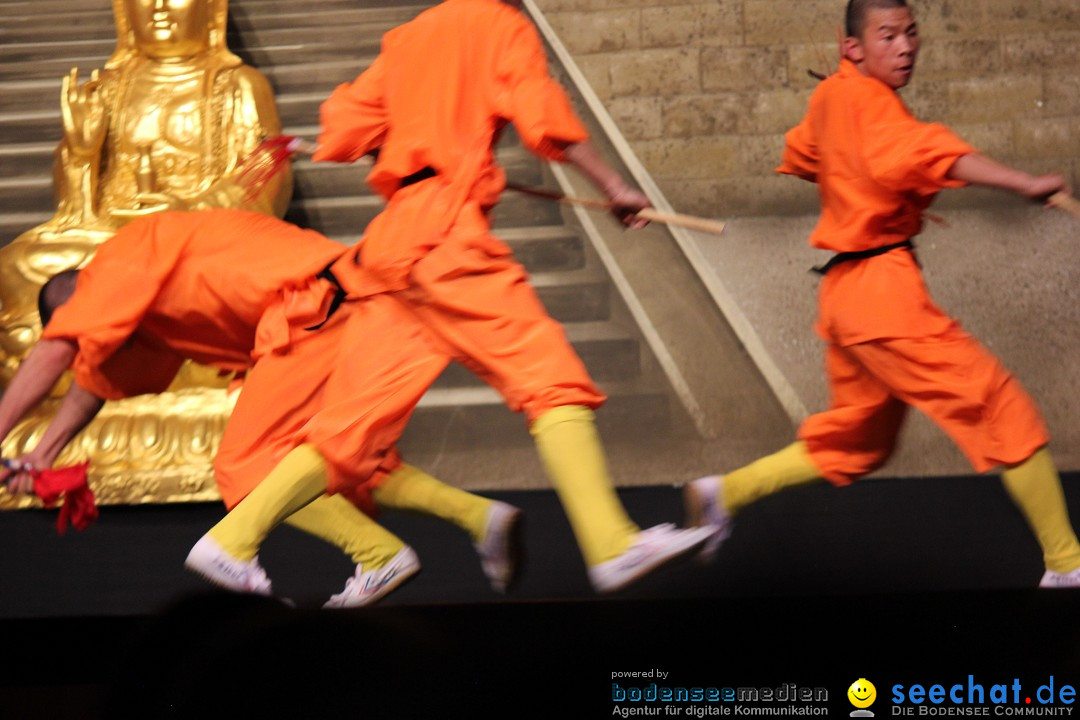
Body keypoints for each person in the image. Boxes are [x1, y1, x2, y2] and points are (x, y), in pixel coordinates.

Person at [191, 0, 715, 595]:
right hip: (446, 236)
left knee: (349, 429)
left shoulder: (408, 39)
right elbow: (543, 118)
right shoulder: (500, 24)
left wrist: (405, 145)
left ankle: (232, 541)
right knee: (547, 375)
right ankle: (610, 542)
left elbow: (347, 125)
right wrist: (615, 187)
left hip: (395, 244)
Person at [685, 0, 1080, 589]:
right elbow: (926, 151)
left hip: (848, 298)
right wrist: (1023, 182)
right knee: (999, 406)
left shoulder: (835, 99)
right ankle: (1068, 565)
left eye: (911, 34)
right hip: (881, 296)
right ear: (853, 48)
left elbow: (807, 153)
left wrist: (871, 179)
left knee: (858, 441)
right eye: (888, 36)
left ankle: (726, 493)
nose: (905, 47)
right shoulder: (867, 102)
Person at [0, 209, 521, 607]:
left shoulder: (116, 262)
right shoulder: (142, 314)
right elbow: (90, 382)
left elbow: (62, 348)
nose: (88, 349)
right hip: (342, 304)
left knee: (246, 464)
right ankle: (480, 517)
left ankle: (377, 555)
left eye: (75, 329)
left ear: (75, 302)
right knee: (345, 467)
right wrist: (43, 454)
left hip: (314, 303)